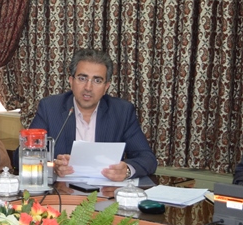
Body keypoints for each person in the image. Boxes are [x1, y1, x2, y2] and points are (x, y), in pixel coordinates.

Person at [15, 49, 157, 181]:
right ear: (71, 81)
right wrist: (52, 166)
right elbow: (20, 156)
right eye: (82, 78)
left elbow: (147, 158)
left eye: (97, 80)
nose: (88, 88)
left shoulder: (121, 112)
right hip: (64, 193)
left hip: (106, 192)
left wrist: (126, 171)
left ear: (106, 87)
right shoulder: (50, 108)